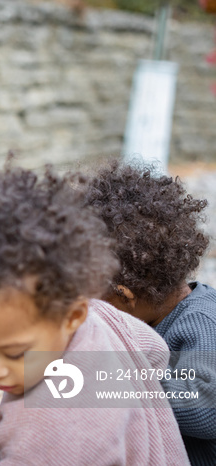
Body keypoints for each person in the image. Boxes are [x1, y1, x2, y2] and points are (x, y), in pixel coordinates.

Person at [0, 164, 189, 465]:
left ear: (72, 315)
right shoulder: (103, 318)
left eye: (15, 352)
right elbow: (156, 353)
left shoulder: (50, 427)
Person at [86, 161, 216, 465]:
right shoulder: (149, 315)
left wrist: (115, 377)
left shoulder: (202, 321)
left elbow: (206, 407)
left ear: (124, 296)